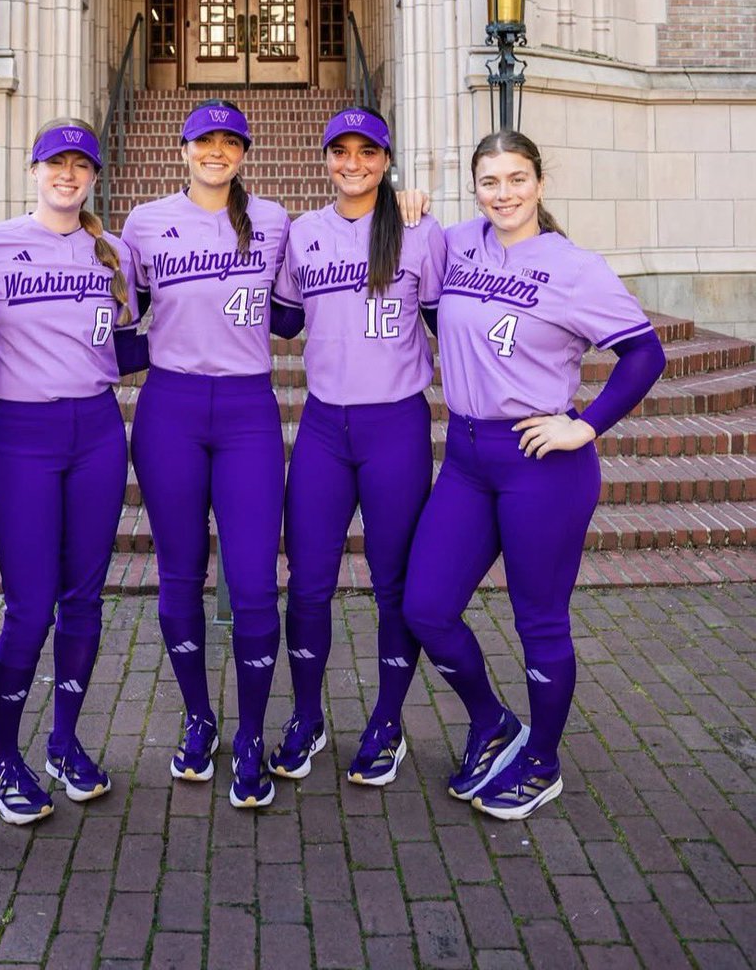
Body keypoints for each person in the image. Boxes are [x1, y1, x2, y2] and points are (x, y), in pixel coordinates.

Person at [403, 130, 666, 820]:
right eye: (489, 181)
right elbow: (412, 266)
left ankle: (541, 760)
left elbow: (643, 355)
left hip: (540, 463)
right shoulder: (459, 243)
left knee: (538, 622)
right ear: (475, 187)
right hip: (464, 457)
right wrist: (408, 207)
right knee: (425, 607)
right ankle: (492, 722)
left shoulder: (574, 267)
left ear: (539, 183)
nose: (503, 194)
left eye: (516, 179)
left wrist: (584, 425)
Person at [0, 119, 143, 823]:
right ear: (32, 170)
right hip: (21, 435)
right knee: (30, 604)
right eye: (54, 163)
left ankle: (63, 742)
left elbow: (126, 347)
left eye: (80, 165)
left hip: (96, 431)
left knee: (85, 598)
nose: (67, 174)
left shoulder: (112, 250)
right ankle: (3, 758)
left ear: (93, 176)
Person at [267, 106, 447, 786]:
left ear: (384, 159)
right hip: (322, 428)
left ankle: (387, 723)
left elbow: (448, 318)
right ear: (324, 159)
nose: (352, 163)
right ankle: (306, 716)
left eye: (366, 151)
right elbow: (280, 318)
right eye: (339, 151)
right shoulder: (302, 232)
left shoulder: (416, 230)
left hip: (394, 426)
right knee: (306, 584)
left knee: (392, 584)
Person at [121, 99, 290, 808]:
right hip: (170, 410)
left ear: (244, 153)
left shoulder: (275, 222)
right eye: (203, 141)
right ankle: (198, 717)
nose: (216, 151)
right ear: (182, 149)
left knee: (252, 582)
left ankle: (250, 733)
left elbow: (294, 313)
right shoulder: (142, 223)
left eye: (229, 142)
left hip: (249, 411)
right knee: (178, 574)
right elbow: (113, 321)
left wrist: (404, 209)